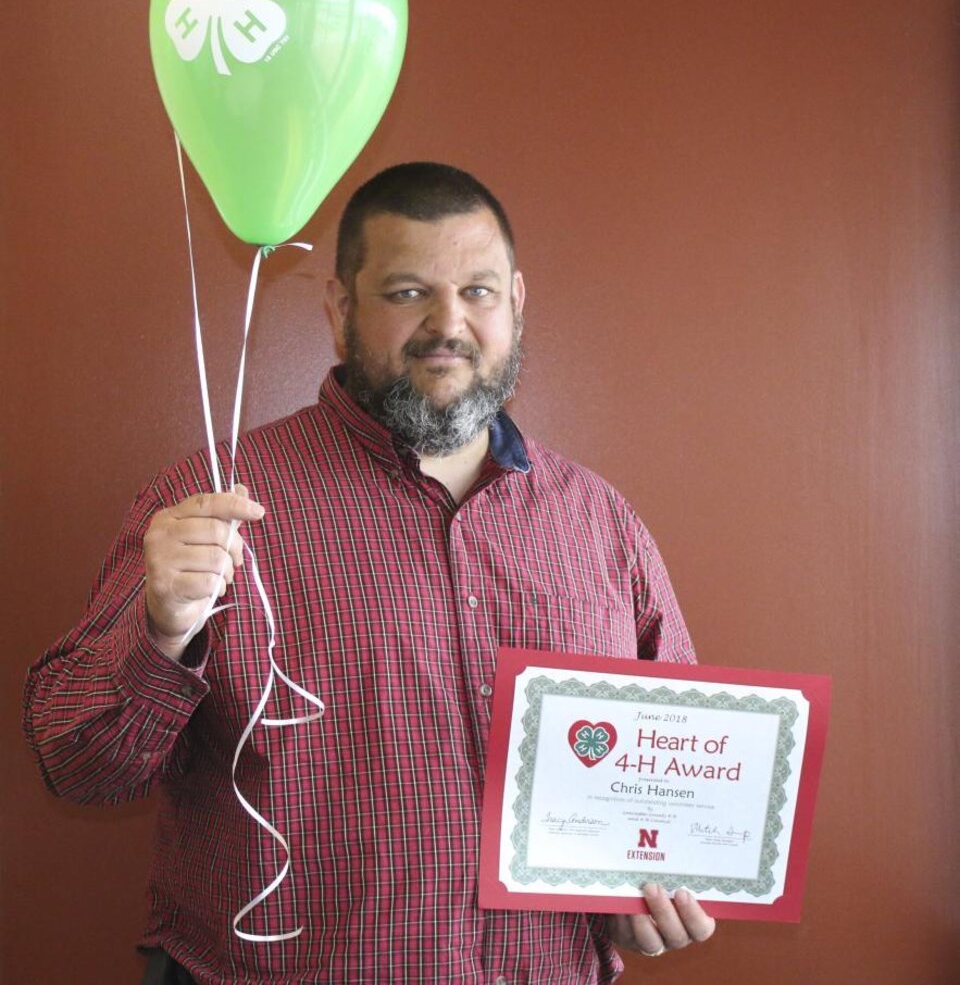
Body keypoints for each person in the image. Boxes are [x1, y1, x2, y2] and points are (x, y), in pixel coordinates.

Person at [24, 163, 716, 984]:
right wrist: (163, 628)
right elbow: (78, 763)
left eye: (479, 291)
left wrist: (649, 889)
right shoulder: (214, 503)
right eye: (406, 292)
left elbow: (676, 792)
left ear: (517, 303)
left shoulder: (599, 523)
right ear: (339, 309)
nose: (448, 322)